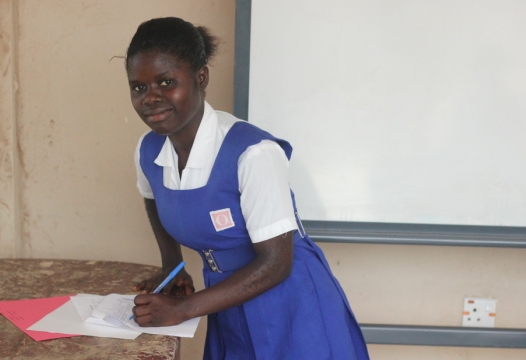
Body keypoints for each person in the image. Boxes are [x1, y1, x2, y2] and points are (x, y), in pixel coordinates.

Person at [126, 17, 370, 360]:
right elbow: (153, 197)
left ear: (200, 77)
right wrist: (173, 266)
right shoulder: (148, 150)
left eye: (167, 82)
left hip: (291, 304)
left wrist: (183, 310)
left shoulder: (253, 153)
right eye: (139, 87)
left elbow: (276, 263)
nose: (151, 98)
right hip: (227, 297)